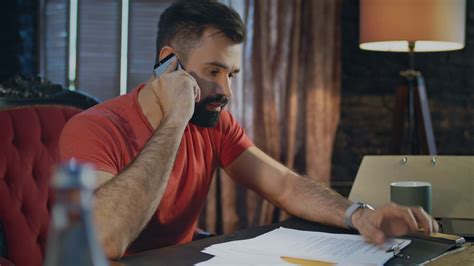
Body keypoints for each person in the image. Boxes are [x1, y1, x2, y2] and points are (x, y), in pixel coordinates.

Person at [59, 0, 438, 259]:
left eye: (232, 74)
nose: (225, 91)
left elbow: (286, 185)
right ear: (168, 63)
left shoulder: (214, 122)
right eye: (213, 72)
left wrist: (359, 215)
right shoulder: (93, 129)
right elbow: (104, 240)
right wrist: (174, 119)